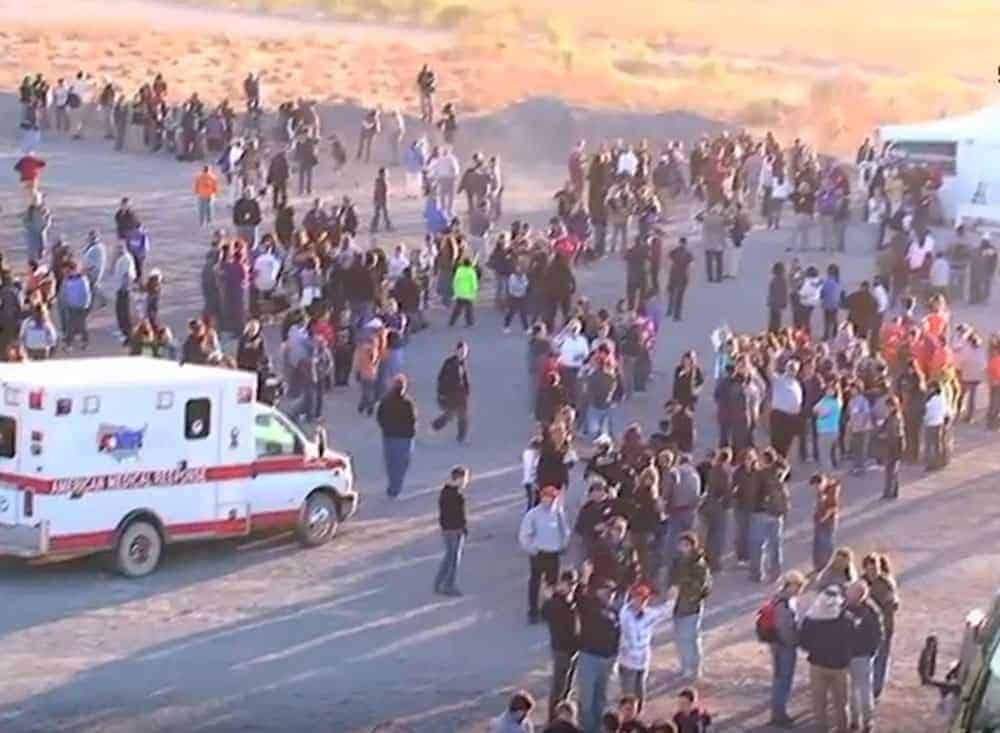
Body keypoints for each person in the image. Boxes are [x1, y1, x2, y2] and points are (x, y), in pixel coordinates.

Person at [799, 585, 854, 733]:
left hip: (817, 665)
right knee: (841, 704)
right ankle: (843, 729)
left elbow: (803, 641)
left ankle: (821, 729)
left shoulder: (812, 618)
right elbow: (853, 640)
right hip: (840, 667)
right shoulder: (846, 619)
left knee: (819, 703)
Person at [576, 568, 621, 733]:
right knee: (586, 699)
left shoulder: (614, 611)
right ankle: (586, 729)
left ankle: (597, 729)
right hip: (590, 657)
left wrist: (615, 656)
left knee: (601, 698)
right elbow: (578, 597)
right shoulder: (589, 605)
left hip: (607, 659)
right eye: (606, 590)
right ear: (598, 591)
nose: (609, 594)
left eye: (612, 592)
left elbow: (618, 635)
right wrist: (584, 578)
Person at [519, 484, 572, 623]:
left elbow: (565, 530)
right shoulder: (533, 514)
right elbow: (525, 534)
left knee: (552, 584)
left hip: (553, 553)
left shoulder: (558, 513)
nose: (548, 501)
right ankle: (533, 611)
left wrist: (563, 545)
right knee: (535, 582)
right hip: (538, 553)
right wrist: (531, 548)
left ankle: (548, 610)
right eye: (545, 497)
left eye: (551, 498)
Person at [617, 582, 671, 712]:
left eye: (645, 599)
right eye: (639, 598)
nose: (642, 602)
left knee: (640, 695)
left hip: (642, 663)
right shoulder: (625, 614)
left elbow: (665, 611)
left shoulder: (648, 614)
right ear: (633, 598)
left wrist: (672, 597)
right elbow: (630, 637)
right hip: (628, 663)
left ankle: (637, 718)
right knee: (628, 697)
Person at [669, 531, 711, 681]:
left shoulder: (698, 564)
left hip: (691, 606)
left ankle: (694, 668)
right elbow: (671, 578)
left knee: (691, 638)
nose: (682, 548)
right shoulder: (677, 561)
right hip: (677, 604)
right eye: (681, 545)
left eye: (686, 545)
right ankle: (685, 666)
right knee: (680, 638)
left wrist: (682, 588)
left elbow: (702, 587)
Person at [765, 570, 805, 728]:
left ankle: (777, 712)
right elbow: (786, 629)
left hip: (776, 645)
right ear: (792, 585)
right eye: (799, 586)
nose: (800, 590)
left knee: (779, 679)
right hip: (784, 646)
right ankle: (779, 714)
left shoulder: (777, 599)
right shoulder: (785, 602)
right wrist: (796, 641)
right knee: (784, 680)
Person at [541, 570, 581, 722]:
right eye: (569, 583)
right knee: (559, 687)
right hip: (562, 649)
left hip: (573, 649)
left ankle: (562, 716)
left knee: (567, 687)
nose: (571, 586)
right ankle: (553, 720)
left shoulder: (571, 600)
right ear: (561, 583)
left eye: (573, 583)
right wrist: (551, 597)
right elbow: (545, 613)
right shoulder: (556, 602)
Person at [845, 580, 885, 733]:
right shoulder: (848, 607)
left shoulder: (870, 612)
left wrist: (871, 652)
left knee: (862, 690)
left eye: (851, 593)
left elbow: (878, 635)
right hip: (848, 655)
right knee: (853, 690)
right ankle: (855, 721)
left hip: (862, 656)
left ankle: (867, 722)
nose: (847, 595)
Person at [862, 553, 900, 702]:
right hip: (865, 629)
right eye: (869, 569)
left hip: (884, 627)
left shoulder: (886, 584)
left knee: (881, 658)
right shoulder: (862, 581)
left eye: (875, 569)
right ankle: (867, 688)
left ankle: (875, 689)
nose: (872, 573)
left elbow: (892, 605)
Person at [376, 374, 417, 498]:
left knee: (391, 463)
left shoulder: (385, 401)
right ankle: (396, 486)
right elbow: (413, 419)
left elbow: (380, 417)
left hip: (389, 436)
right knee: (402, 463)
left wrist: (385, 427)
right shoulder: (408, 403)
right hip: (405, 437)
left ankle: (393, 485)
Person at [433, 465, 468, 596]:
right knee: (453, 559)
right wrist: (463, 528)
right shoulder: (457, 495)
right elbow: (460, 514)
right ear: (459, 478)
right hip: (455, 529)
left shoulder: (444, 491)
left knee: (449, 556)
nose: (465, 482)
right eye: (464, 478)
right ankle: (448, 585)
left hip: (446, 528)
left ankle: (439, 583)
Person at [432, 341, 471, 443]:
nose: (463, 354)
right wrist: (441, 393)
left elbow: (465, 378)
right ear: (456, 351)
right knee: (450, 414)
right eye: (461, 351)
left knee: (462, 416)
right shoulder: (449, 363)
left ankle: (461, 438)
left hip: (460, 395)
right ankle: (434, 427)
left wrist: (467, 389)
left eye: (464, 352)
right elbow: (442, 378)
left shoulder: (462, 363)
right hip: (451, 394)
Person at [666, 237, 693, 321]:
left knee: (671, 293)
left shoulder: (674, 251)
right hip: (683, 276)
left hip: (673, 275)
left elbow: (669, 258)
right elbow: (691, 266)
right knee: (679, 297)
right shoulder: (688, 254)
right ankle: (677, 315)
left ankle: (670, 309)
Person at [449, 257, 478, 327]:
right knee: (469, 310)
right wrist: (475, 291)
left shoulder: (459, 270)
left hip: (460, 293)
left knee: (457, 309)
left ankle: (452, 321)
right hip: (468, 293)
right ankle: (470, 322)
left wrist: (455, 290)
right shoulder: (471, 271)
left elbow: (455, 280)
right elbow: (474, 282)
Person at [371, 167, 393, 233]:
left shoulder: (379, 181)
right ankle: (386, 226)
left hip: (380, 200)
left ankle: (375, 227)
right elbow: (382, 191)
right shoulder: (382, 181)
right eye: (386, 173)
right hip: (382, 200)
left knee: (380, 214)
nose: (387, 174)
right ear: (382, 174)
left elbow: (376, 191)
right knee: (382, 214)